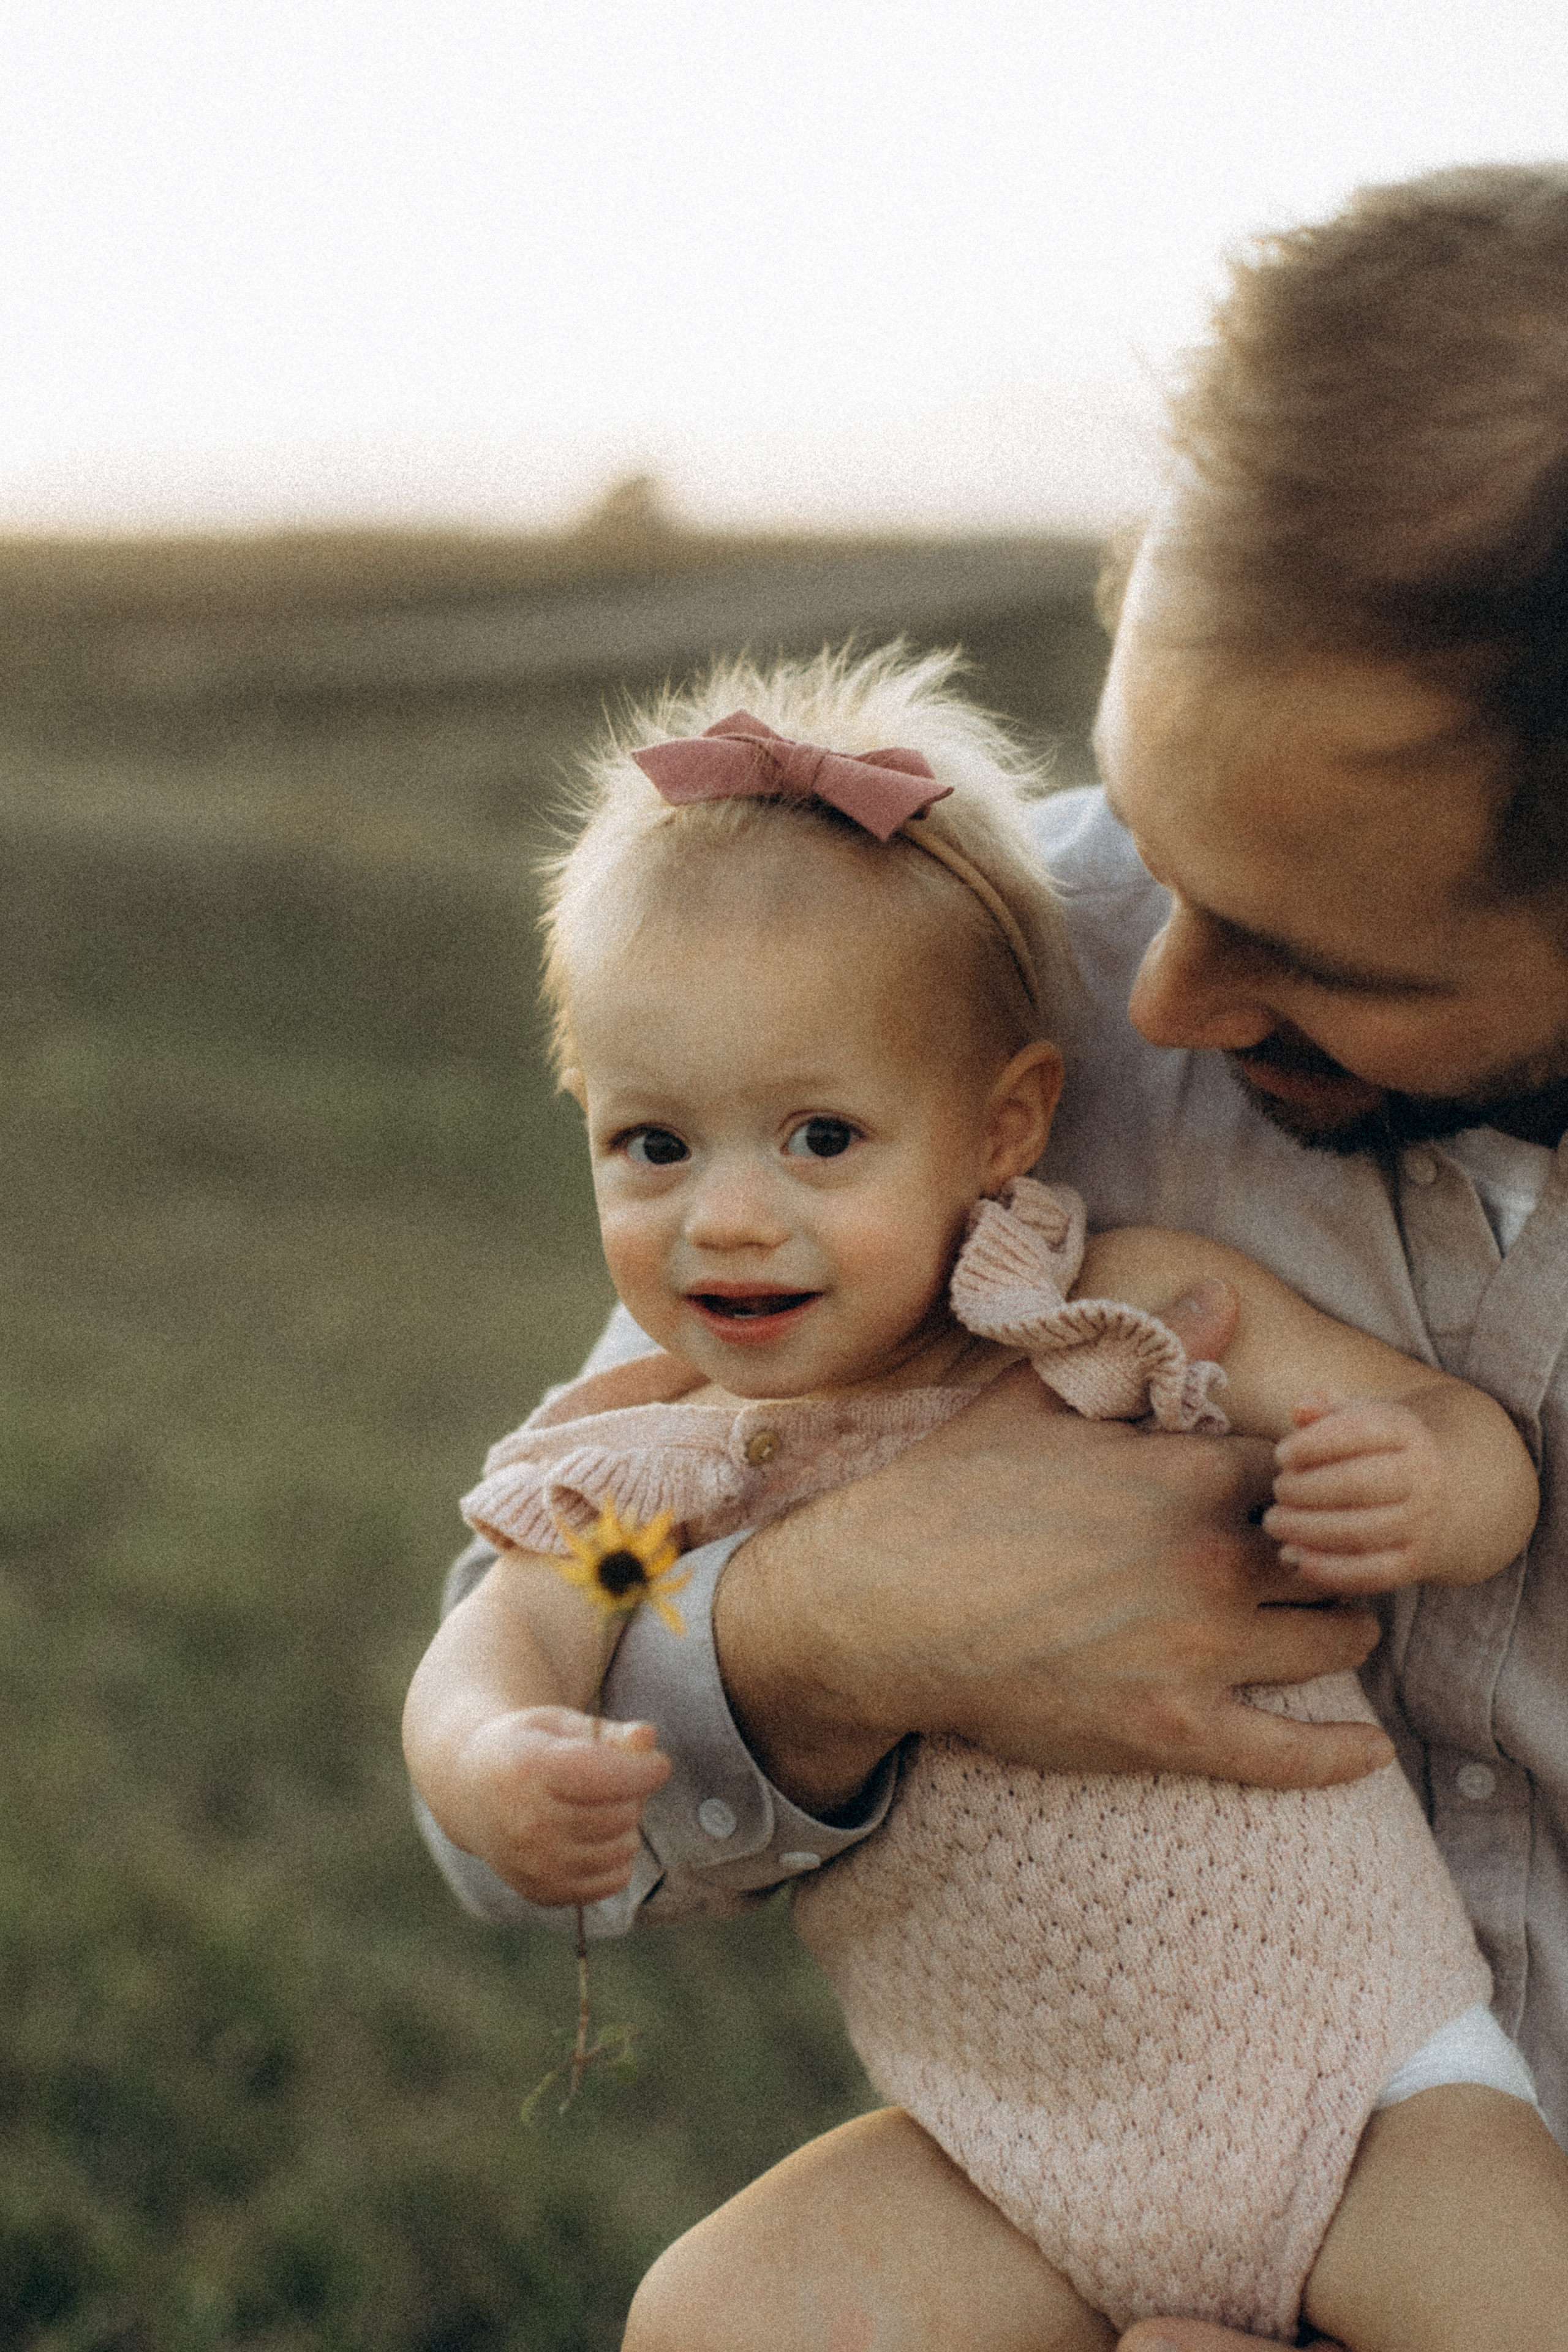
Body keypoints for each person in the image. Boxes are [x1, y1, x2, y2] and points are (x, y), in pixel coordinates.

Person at [417, 165, 1568, 2350]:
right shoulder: (953, 979)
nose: (1157, 1002)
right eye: (1157, 830)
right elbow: (560, 1639)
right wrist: (809, 1632)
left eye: (1312, 955)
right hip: (1029, 2158)